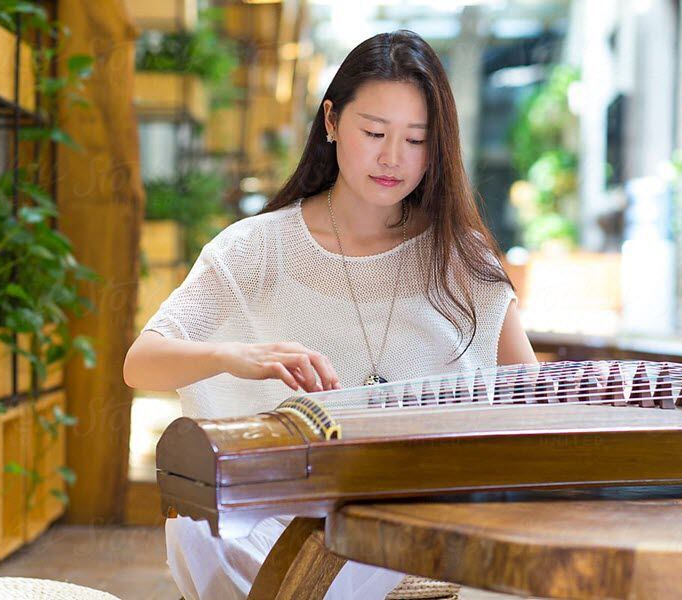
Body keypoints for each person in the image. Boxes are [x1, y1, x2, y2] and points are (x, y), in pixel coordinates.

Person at [123, 29, 538, 600]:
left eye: (416, 140)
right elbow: (141, 363)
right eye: (375, 133)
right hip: (282, 523)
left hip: (415, 526)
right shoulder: (256, 248)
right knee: (196, 526)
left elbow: (530, 398)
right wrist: (235, 356)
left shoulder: (459, 257)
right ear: (332, 121)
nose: (392, 158)